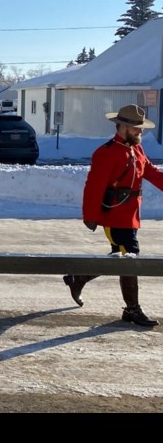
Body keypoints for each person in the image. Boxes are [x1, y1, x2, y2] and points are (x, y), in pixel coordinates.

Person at [64, 103, 163, 327]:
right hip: (115, 215)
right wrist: (91, 216)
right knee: (129, 258)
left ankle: (78, 278)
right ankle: (132, 310)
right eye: (136, 128)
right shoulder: (106, 153)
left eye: (141, 128)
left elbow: (150, 172)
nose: (140, 132)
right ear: (121, 127)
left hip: (131, 215)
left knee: (121, 257)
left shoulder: (136, 148)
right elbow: (94, 186)